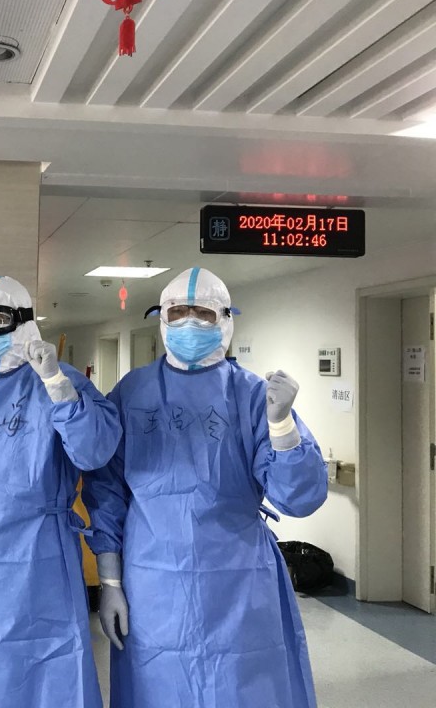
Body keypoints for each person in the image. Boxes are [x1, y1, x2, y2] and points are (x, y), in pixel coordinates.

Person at [84, 267, 327, 708]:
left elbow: (299, 498)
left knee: (241, 689)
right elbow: (107, 493)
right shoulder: (133, 392)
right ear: (161, 319)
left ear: (226, 320)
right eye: (178, 312)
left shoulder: (253, 395)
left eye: (203, 313)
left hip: (238, 582)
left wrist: (282, 426)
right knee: (158, 688)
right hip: (153, 584)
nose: (190, 323)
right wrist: (110, 581)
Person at [0, 276, 122, 708]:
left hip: (39, 564)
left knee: (49, 677)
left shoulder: (60, 381)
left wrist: (58, 386)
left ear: (22, 322)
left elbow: (95, 452)